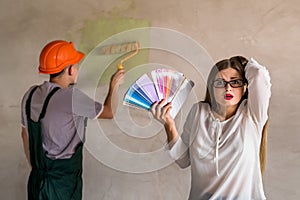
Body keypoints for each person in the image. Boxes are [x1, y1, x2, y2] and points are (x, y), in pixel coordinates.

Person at [151, 56, 271, 200]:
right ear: (211, 88)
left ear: (245, 87)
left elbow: (259, 75)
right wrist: (169, 124)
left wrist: (242, 63)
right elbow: (183, 161)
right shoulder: (198, 113)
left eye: (235, 82)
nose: (228, 87)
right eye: (220, 82)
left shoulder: (252, 115)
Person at [20, 40, 125, 200]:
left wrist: (38, 169)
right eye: (76, 65)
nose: (77, 69)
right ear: (69, 69)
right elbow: (109, 112)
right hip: (63, 184)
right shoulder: (70, 97)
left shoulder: (30, 94)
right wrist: (114, 84)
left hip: (36, 181)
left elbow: (25, 134)